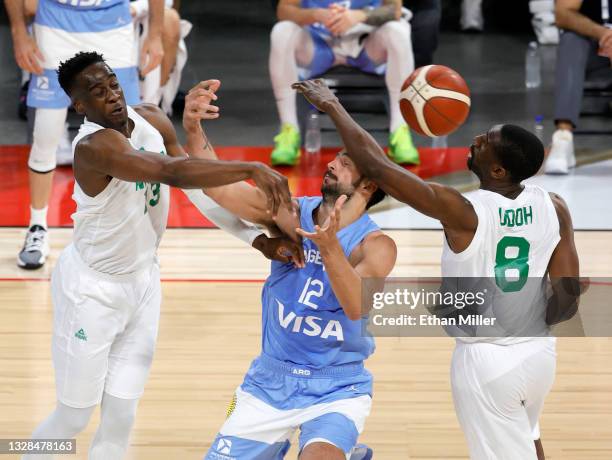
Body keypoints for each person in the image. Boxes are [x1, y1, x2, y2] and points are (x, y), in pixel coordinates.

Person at [23, 51, 299, 460]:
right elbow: (170, 173)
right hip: (91, 293)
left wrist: (254, 240)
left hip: (144, 284)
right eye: (97, 93)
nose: (112, 97)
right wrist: (250, 168)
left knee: (120, 416)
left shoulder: (151, 118)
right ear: (79, 106)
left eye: (113, 84)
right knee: (73, 417)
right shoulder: (94, 148)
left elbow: (193, 186)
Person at [293, 79, 582, 460]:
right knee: (527, 439)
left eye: (485, 142)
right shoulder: (555, 204)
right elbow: (568, 299)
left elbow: (378, 167)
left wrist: (333, 106)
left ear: (497, 171)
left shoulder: (464, 211)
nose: (475, 138)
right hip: (538, 353)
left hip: (487, 363)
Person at [189, 82, 397, 459]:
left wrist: (329, 245)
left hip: (338, 387)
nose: (332, 163)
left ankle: (339, 449)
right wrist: (193, 128)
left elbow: (357, 307)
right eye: (336, 157)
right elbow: (220, 189)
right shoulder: (292, 214)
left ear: (368, 185)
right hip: (270, 381)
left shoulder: (376, 245)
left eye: (346, 163)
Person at [5, 0, 164, 270]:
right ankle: (37, 227)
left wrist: (155, 34)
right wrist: (19, 33)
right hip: (54, 25)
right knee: (46, 135)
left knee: (128, 133)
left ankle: (135, 234)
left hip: (113, 25)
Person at [269, 0, 418, 166]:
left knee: (398, 30)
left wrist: (358, 16)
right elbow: (284, 10)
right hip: (319, 42)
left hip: (366, 41)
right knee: (281, 31)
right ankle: (289, 131)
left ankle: (400, 130)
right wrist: (316, 14)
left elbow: (395, 10)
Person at [546, 0, 612, 174]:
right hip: (592, 44)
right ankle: (563, 137)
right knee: (571, 40)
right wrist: (604, 34)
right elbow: (563, 14)